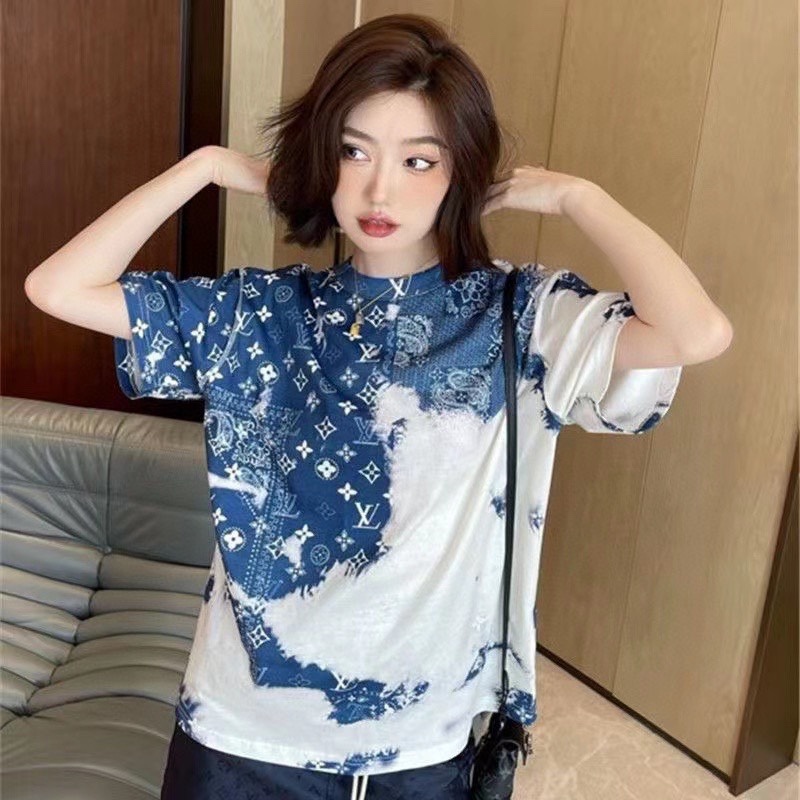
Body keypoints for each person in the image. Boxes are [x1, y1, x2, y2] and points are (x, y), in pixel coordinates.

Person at [25, 12, 729, 800]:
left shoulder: (519, 318)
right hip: (240, 730)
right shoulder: (258, 314)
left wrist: (578, 198)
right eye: (352, 151)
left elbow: (695, 332)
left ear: (463, 172)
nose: (379, 190)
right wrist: (205, 167)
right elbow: (57, 288)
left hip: (419, 740)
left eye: (419, 160)